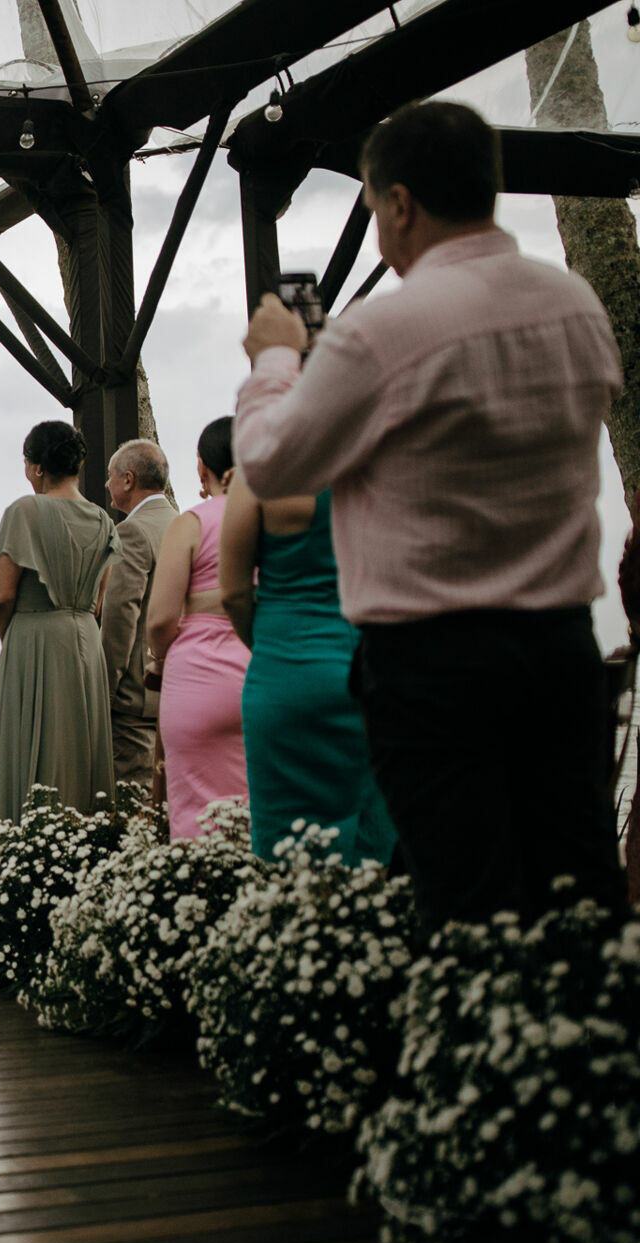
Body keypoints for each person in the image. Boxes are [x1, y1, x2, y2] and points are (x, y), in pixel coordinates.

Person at [235, 100, 628, 926]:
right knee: (576, 889)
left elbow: (272, 462)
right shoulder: (575, 308)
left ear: (401, 204)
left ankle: (478, 1046)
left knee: (463, 898)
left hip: (434, 663)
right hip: (561, 649)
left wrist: (276, 358)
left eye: (375, 207)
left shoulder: (384, 333)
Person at [221, 472, 393, 866]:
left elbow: (233, 595)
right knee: (371, 843)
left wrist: (269, 647)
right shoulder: (370, 470)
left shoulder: (258, 479)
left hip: (283, 673)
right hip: (366, 671)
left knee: (282, 848)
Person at [0, 420, 118, 852]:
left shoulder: (25, 511)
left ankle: (19, 861)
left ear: (36, 468)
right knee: (81, 754)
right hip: (85, 642)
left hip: (33, 638)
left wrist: (13, 640)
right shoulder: (102, 519)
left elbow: (3, 595)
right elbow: (98, 600)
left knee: (24, 753)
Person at [147, 418, 250, 840]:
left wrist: (161, 656)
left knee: (197, 812)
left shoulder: (191, 523)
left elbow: (159, 619)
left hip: (198, 681)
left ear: (202, 469)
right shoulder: (279, 520)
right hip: (265, 668)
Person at [98, 439, 176, 794]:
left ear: (128, 480)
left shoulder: (132, 531)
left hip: (137, 698)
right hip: (179, 687)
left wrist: (104, 691)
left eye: (110, 476)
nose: (106, 485)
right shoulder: (183, 525)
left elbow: (119, 619)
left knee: (134, 802)